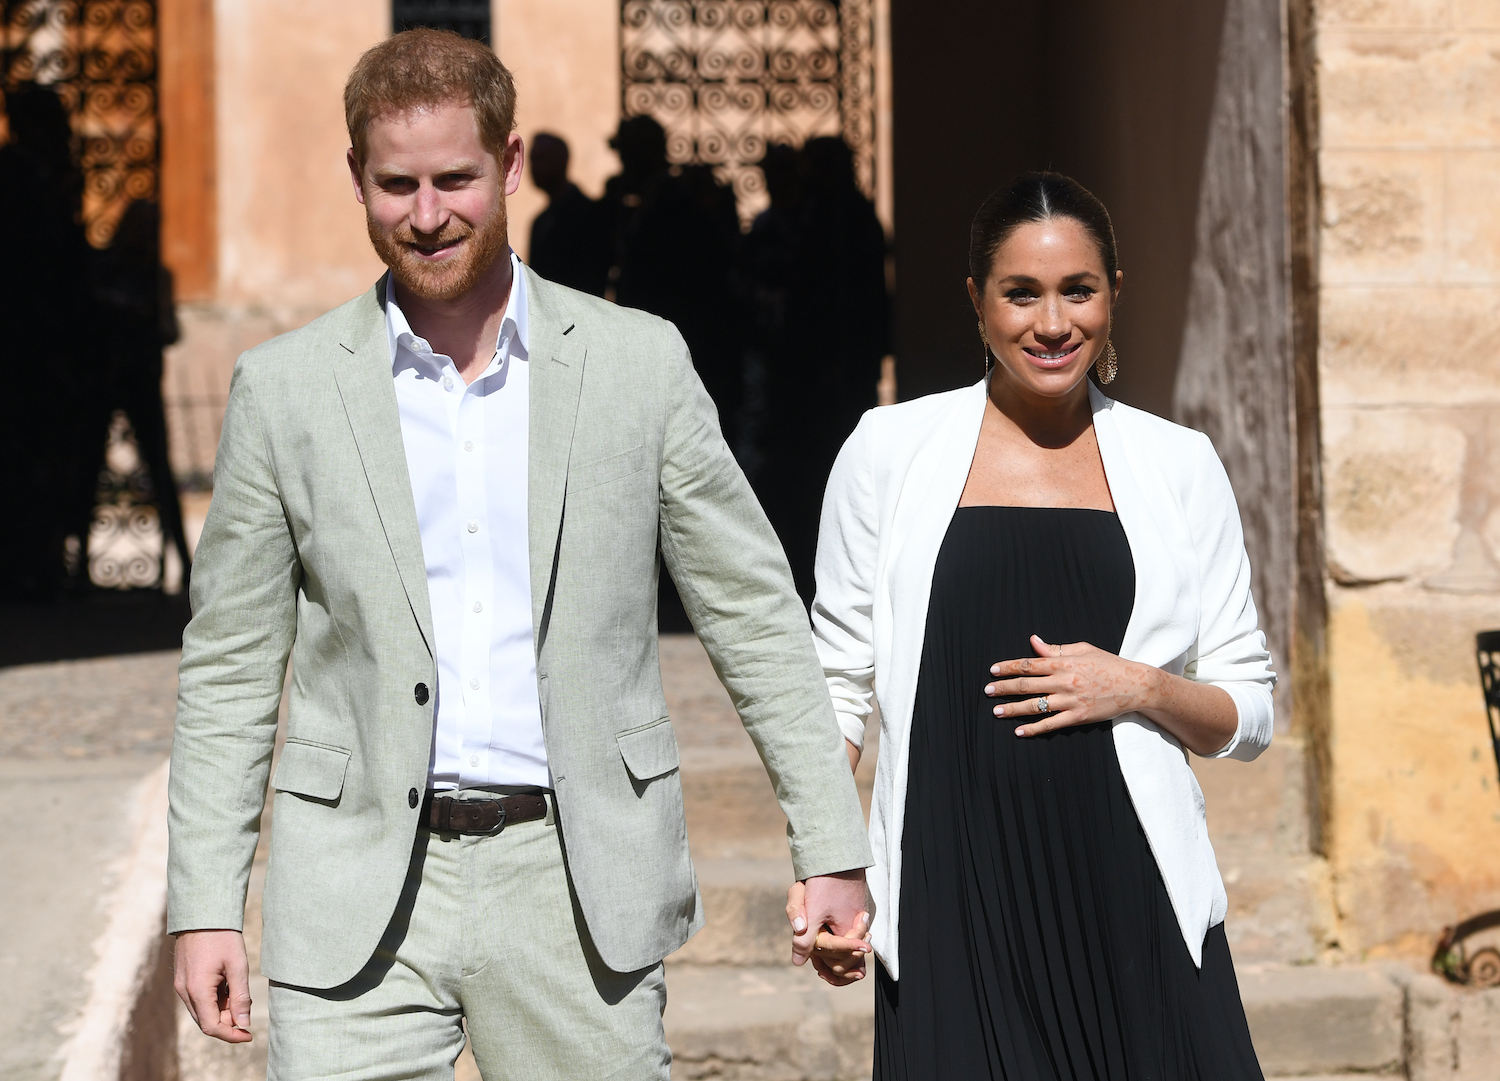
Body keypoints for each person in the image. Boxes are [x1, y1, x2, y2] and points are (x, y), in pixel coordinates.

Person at [168, 29, 872, 1081]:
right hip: (354, 892)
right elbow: (229, 664)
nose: (427, 213)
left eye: (455, 178)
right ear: (356, 179)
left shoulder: (638, 364)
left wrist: (831, 841)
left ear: (510, 165)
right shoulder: (285, 391)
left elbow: (754, 613)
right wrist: (204, 906)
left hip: (578, 885)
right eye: (395, 184)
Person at [793, 172, 1274, 1078]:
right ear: (976, 301)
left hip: (1131, 892)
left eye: (1077, 291)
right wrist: (829, 860)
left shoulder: (1180, 463)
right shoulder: (888, 449)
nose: (1052, 324)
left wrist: (1140, 684)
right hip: (951, 887)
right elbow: (838, 680)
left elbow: (1249, 711)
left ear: (1114, 295)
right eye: (1022, 292)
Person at [526, 132, 609, 297]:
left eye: (541, 159)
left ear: (561, 162)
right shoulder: (540, 221)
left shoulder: (588, 215)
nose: (534, 167)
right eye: (532, 160)